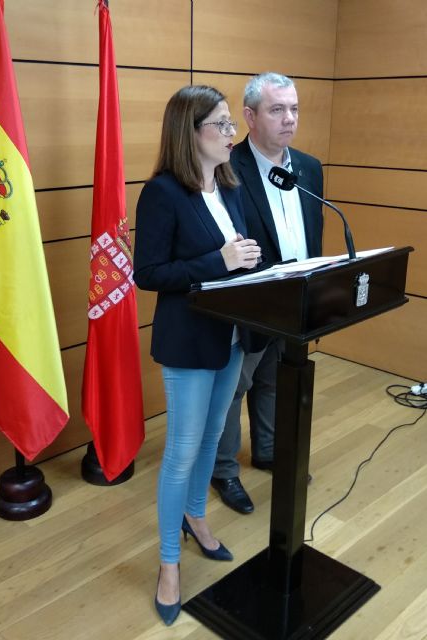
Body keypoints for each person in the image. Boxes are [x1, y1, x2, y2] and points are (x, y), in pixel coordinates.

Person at [134, 85, 261, 626]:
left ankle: (196, 517)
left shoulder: (229, 186)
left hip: (230, 336)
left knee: (212, 439)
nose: (232, 134)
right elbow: (148, 273)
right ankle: (168, 563)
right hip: (189, 340)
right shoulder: (162, 192)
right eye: (222, 124)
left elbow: (238, 258)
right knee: (182, 452)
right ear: (190, 132)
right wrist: (220, 260)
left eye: (232, 124)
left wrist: (251, 262)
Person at [210, 72, 324, 514]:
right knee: (234, 389)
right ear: (250, 116)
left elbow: (313, 231)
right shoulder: (226, 169)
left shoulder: (309, 167)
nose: (289, 118)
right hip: (250, 301)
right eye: (277, 110)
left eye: (294, 109)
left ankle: (269, 450)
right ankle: (223, 470)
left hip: (296, 299)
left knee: (277, 379)